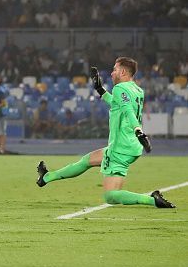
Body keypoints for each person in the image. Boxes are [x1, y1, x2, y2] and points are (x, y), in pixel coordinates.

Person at [36, 57, 175, 209]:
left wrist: (139, 131)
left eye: (114, 69)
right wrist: (100, 89)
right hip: (129, 146)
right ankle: (46, 177)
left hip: (120, 149)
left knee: (111, 196)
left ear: (122, 71)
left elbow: (128, 111)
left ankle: (152, 200)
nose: (111, 73)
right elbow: (119, 104)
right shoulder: (137, 90)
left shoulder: (120, 88)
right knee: (86, 161)